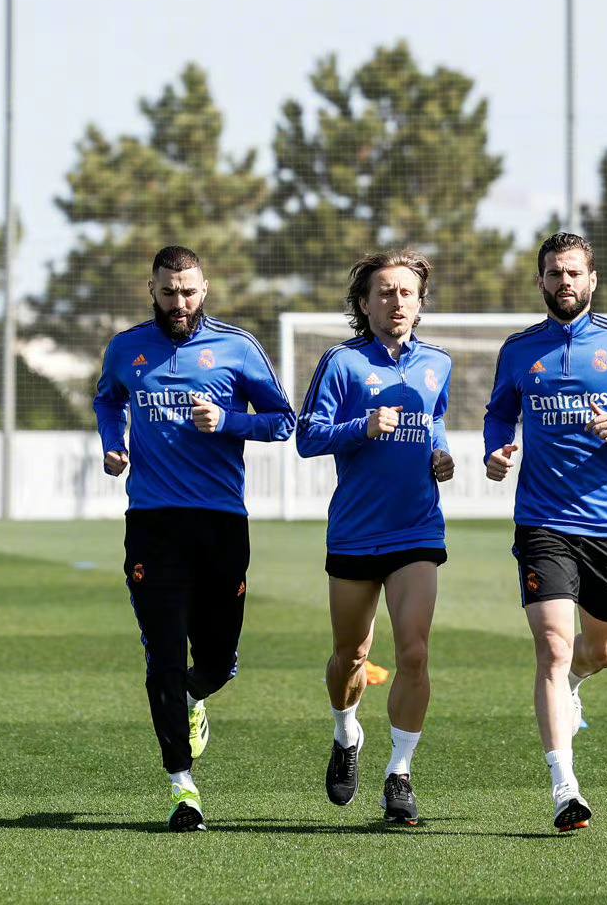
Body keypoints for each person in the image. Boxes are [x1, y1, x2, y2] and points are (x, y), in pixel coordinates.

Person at [484, 232, 607, 832]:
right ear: (540, 281)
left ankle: (574, 682)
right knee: (552, 646)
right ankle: (564, 788)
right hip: (542, 522)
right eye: (554, 273)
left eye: (573, 273)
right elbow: (498, 413)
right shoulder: (520, 349)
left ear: (592, 280)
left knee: (602, 652)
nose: (564, 282)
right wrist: (496, 451)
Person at [94, 245, 295, 831]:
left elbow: (283, 421)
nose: (178, 302)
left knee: (217, 661)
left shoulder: (238, 347)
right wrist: (113, 443)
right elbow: (107, 399)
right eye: (168, 292)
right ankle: (183, 789)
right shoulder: (127, 348)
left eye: (188, 292)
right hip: (153, 523)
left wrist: (228, 421)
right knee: (162, 654)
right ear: (151, 290)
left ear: (204, 290)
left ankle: (194, 695)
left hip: (220, 523)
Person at [296, 251, 453, 826]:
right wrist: (361, 427)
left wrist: (440, 452)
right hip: (356, 532)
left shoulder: (438, 363)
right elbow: (307, 437)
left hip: (417, 527)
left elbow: (434, 420)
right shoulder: (341, 363)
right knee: (352, 655)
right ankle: (346, 732)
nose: (397, 301)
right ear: (364, 304)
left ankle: (400, 774)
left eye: (407, 292)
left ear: (420, 302)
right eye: (385, 292)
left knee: (414, 652)